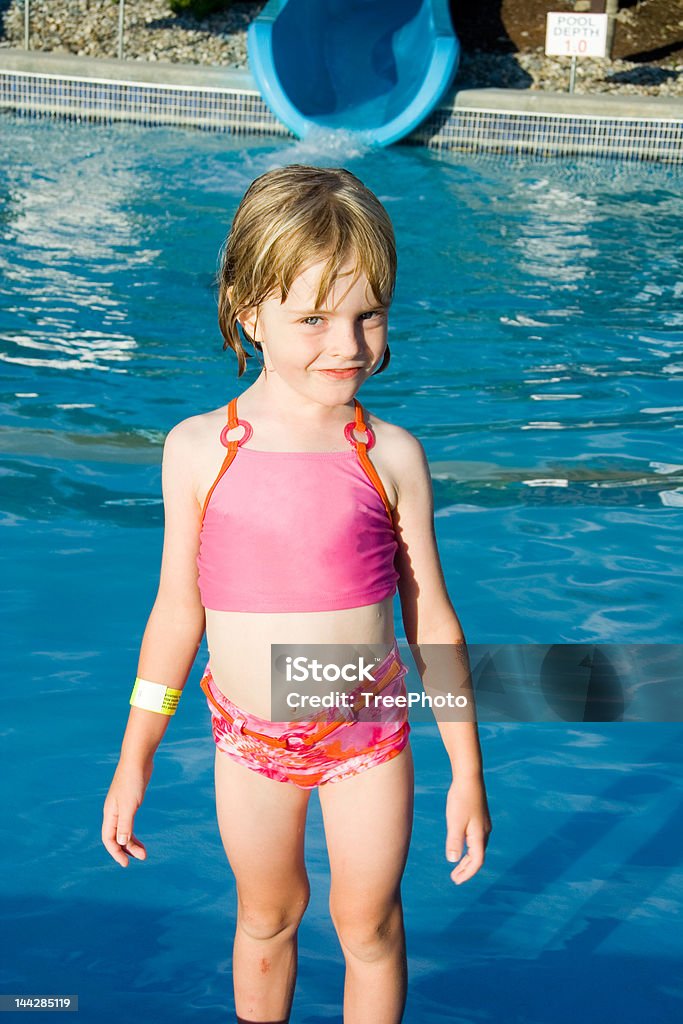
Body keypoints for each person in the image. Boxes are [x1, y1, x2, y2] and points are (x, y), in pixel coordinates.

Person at [102, 164, 492, 1024]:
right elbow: (176, 611)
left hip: (367, 736)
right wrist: (137, 753)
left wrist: (466, 766)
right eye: (312, 318)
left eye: (366, 314)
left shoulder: (387, 453)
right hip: (249, 739)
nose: (346, 345)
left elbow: (430, 615)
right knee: (266, 918)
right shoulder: (202, 448)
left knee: (369, 928)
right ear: (249, 314)